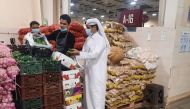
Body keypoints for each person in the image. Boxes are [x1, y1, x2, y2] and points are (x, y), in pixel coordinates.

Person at [69, 18, 110, 109]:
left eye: (88, 27)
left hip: (97, 71)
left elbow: (94, 54)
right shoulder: (89, 39)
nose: (87, 29)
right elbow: (84, 52)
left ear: (95, 27)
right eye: (86, 27)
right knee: (88, 92)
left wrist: (78, 53)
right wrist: (75, 56)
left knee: (96, 92)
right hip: (89, 70)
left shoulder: (100, 40)